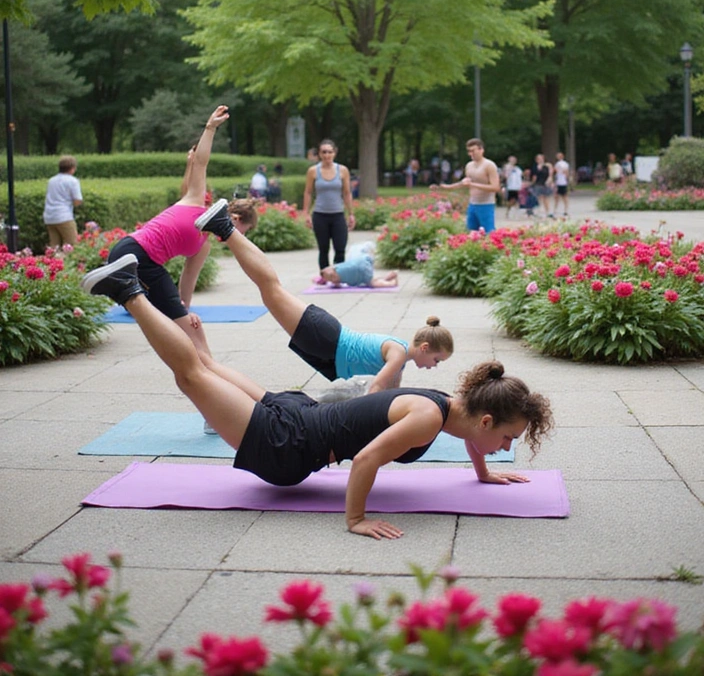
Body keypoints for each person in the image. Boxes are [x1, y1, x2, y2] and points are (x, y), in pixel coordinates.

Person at [80, 251, 553, 540]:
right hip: (286, 444)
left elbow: (474, 437)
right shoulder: (430, 418)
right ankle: (129, 291)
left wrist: (484, 472)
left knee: (204, 369)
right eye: (508, 438)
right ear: (486, 420)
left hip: (301, 414)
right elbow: (365, 461)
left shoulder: (449, 404)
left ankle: (139, 288)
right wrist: (356, 519)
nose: (505, 447)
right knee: (191, 375)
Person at [199, 201, 450, 392]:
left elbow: (389, 398)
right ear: (425, 348)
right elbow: (375, 391)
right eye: (437, 360)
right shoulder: (398, 354)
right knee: (270, 287)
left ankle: (224, 227)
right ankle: (225, 227)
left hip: (326, 346)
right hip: (326, 338)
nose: (434, 366)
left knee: (269, 289)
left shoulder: (400, 360)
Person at [106, 107, 257, 363]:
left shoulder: (203, 245)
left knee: (184, 325)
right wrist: (210, 128)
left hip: (143, 263)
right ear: (235, 219)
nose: (243, 236)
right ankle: (208, 369)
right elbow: (201, 163)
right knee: (191, 332)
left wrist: (184, 310)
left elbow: (188, 277)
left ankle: (199, 367)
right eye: (246, 231)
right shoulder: (195, 202)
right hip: (133, 252)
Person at [303, 139, 356, 273]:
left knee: (340, 248)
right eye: (324, 152)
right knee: (323, 249)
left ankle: (338, 275)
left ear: (335, 153)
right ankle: (324, 275)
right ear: (320, 154)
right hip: (320, 215)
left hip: (338, 214)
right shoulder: (313, 171)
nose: (327, 155)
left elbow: (347, 193)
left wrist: (351, 214)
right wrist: (306, 213)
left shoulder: (342, 170)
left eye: (330, 152)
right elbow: (308, 192)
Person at [434, 138, 500, 233]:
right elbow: (465, 183)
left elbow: (495, 187)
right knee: (470, 233)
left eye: (473, 151)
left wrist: (473, 184)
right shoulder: (469, 166)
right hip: (472, 204)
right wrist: (446, 187)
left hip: (486, 204)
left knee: (488, 233)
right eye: (469, 151)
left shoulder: (489, 165)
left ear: (481, 150)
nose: (470, 154)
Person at [316, 241, 398, 289]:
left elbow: (337, 284)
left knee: (372, 283)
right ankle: (389, 276)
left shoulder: (334, 277)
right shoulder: (337, 267)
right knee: (371, 280)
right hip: (362, 262)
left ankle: (391, 283)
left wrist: (333, 284)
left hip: (361, 269)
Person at [43, 155, 83, 248]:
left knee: (54, 247)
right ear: (72, 168)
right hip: (64, 216)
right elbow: (77, 200)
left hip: (49, 217)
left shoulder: (51, 180)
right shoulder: (73, 181)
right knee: (71, 245)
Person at [530, 153, 553, 219]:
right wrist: (532, 184)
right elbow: (534, 176)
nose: (540, 160)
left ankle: (547, 212)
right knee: (539, 198)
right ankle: (540, 211)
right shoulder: (535, 167)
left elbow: (550, 175)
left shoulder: (547, 166)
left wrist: (549, 181)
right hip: (538, 184)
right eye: (538, 159)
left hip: (545, 183)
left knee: (546, 198)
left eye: (541, 158)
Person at [502, 155, 523, 219]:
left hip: (517, 186)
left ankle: (516, 213)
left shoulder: (517, 169)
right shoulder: (507, 167)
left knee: (517, 200)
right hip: (511, 186)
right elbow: (505, 176)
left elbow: (520, 176)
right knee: (511, 200)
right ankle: (508, 212)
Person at [552, 151, 570, 218]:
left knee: (564, 196)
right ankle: (555, 210)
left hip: (563, 182)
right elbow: (555, 171)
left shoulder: (564, 164)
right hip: (558, 182)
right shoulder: (557, 164)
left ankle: (565, 210)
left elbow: (566, 172)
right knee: (556, 197)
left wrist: (567, 178)